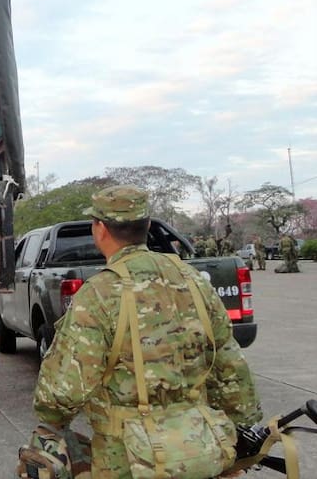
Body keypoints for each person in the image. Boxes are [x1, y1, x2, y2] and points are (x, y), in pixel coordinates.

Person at [34, 185, 261, 477]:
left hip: (129, 459)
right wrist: (242, 427)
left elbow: (62, 393)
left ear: (100, 229)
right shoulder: (193, 280)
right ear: (148, 227)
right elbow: (229, 365)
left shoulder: (98, 294)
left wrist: (50, 420)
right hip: (201, 447)